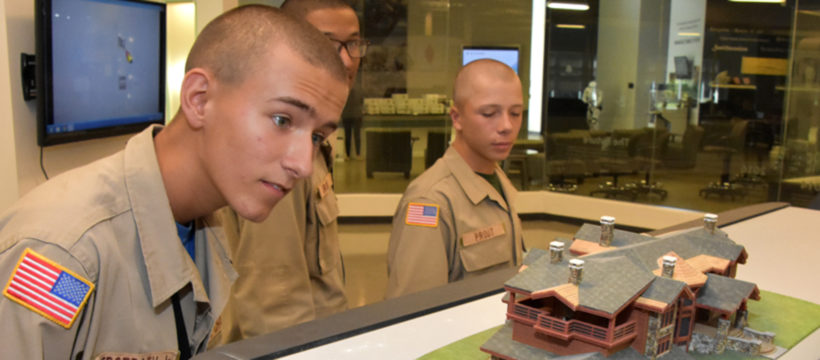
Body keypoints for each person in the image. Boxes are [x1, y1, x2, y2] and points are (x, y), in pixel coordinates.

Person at [0, 5, 348, 359]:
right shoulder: (68, 256)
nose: (302, 164)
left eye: (317, 136)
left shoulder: (209, 223)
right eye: (282, 119)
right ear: (199, 99)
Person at [209, 0, 366, 346]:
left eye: (352, 44)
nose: (344, 60)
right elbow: (275, 301)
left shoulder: (310, 136)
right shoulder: (281, 151)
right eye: (326, 44)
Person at [385, 59, 525, 298]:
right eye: (489, 113)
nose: (506, 126)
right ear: (457, 118)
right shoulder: (429, 202)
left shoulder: (498, 181)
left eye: (515, 113)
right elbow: (415, 311)